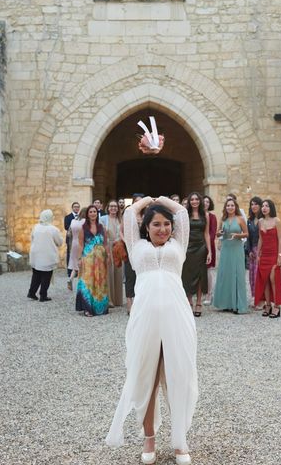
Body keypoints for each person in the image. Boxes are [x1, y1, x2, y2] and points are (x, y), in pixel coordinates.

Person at [106, 196, 196, 465]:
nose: (163, 229)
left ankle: (180, 440)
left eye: (166, 224)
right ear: (146, 227)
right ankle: (149, 438)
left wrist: (162, 201)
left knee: (178, 376)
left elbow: (182, 213)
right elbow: (130, 213)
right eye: (156, 224)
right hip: (145, 318)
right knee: (146, 378)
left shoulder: (178, 245)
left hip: (176, 317)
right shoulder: (136, 246)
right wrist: (147, 200)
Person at [213, 198, 249, 314]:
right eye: (228, 206)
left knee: (237, 275)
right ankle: (225, 303)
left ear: (235, 207)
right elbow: (218, 233)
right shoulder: (223, 219)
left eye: (232, 205)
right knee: (225, 275)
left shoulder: (240, 219)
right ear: (225, 207)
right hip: (226, 249)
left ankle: (238, 304)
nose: (230, 207)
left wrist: (238, 235)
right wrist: (219, 233)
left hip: (236, 249)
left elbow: (247, 234)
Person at [75, 205, 109, 316]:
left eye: (94, 211)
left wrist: (108, 256)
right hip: (88, 257)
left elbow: (105, 243)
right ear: (87, 214)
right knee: (87, 282)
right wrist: (79, 259)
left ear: (97, 213)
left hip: (100, 258)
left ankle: (100, 308)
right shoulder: (83, 228)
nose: (93, 213)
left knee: (100, 282)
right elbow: (80, 244)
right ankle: (87, 308)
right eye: (91, 212)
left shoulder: (101, 227)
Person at [181, 192, 211, 317]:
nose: (194, 201)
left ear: (200, 201)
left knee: (200, 275)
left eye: (196, 199)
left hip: (201, 247)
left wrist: (209, 251)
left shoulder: (206, 215)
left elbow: (206, 234)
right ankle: (189, 301)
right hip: (188, 247)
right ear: (189, 202)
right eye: (192, 199)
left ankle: (199, 302)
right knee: (187, 275)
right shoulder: (185, 215)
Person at [254, 199, 281, 318]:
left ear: (271, 208)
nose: (264, 208)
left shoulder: (277, 221)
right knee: (265, 279)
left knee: (273, 278)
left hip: (274, 254)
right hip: (264, 255)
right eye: (263, 206)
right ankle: (267, 304)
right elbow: (260, 239)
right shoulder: (260, 221)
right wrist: (258, 253)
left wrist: (280, 255)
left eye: (267, 206)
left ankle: (277, 306)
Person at [27, 209, 63, 302]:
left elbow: (31, 238)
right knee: (46, 276)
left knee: (36, 274)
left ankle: (31, 292)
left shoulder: (36, 227)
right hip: (47, 255)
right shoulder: (53, 229)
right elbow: (59, 242)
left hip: (36, 254)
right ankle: (43, 295)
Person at [123, 193, 144, 314]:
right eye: (137, 201)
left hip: (143, 248)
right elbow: (122, 230)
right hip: (131, 248)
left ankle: (140, 302)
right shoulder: (128, 215)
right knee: (130, 275)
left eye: (141, 201)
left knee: (141, 276)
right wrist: (127, 242)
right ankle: (129, 303)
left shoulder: (147, 215)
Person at [100, 200, 124, 308]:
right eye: (111, 206)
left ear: (118, 208)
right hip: (108, 246)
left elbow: (123, 232)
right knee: (109, 272)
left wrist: (119, 240)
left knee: (118, 271)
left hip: (118, 246)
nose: (113, 208)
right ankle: (109, 300)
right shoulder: (103, 219)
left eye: (115, 206)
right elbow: (101, 233)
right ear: (108, 208)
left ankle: (118, 300)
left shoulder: (121, 219)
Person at [246, 196, 264, 303]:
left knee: (260, 274)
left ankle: (261, 298)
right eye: (252, 204)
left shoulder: (264, 219)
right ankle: (254, 296)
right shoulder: (250, 220)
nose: (254, 206)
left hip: (262, 250)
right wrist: (249, 251)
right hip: (252, 250)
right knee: (252, 275)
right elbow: (248, 237)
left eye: (256, 204)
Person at [66, 207, 86, 291]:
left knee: (75, 263)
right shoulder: (85, 222)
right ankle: (81, 283)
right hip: (82, 243)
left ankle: (70, 278)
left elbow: (68, 233)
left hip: (74, 243)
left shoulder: (73, 221)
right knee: (83, 263)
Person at [203, 195, 217, 305]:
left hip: (208, 246)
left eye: (207, 201)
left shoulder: (212, 217)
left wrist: (206, 246)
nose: (205, 203)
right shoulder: (197, 215)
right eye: (204, 201)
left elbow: (212, 233)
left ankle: (209, 294)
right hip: (197, 245)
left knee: (208, 270)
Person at [64, 202, 80, 278]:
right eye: (75, 207)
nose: (76, 208)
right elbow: (66, 227)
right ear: (72, 208)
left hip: (79, 238)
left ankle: (77, 271)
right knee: (70, 255)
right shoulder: (67, 217)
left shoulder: (81, 217)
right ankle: (69, 271)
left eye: (78, 207)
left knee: (78, 255)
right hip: (70, 238)